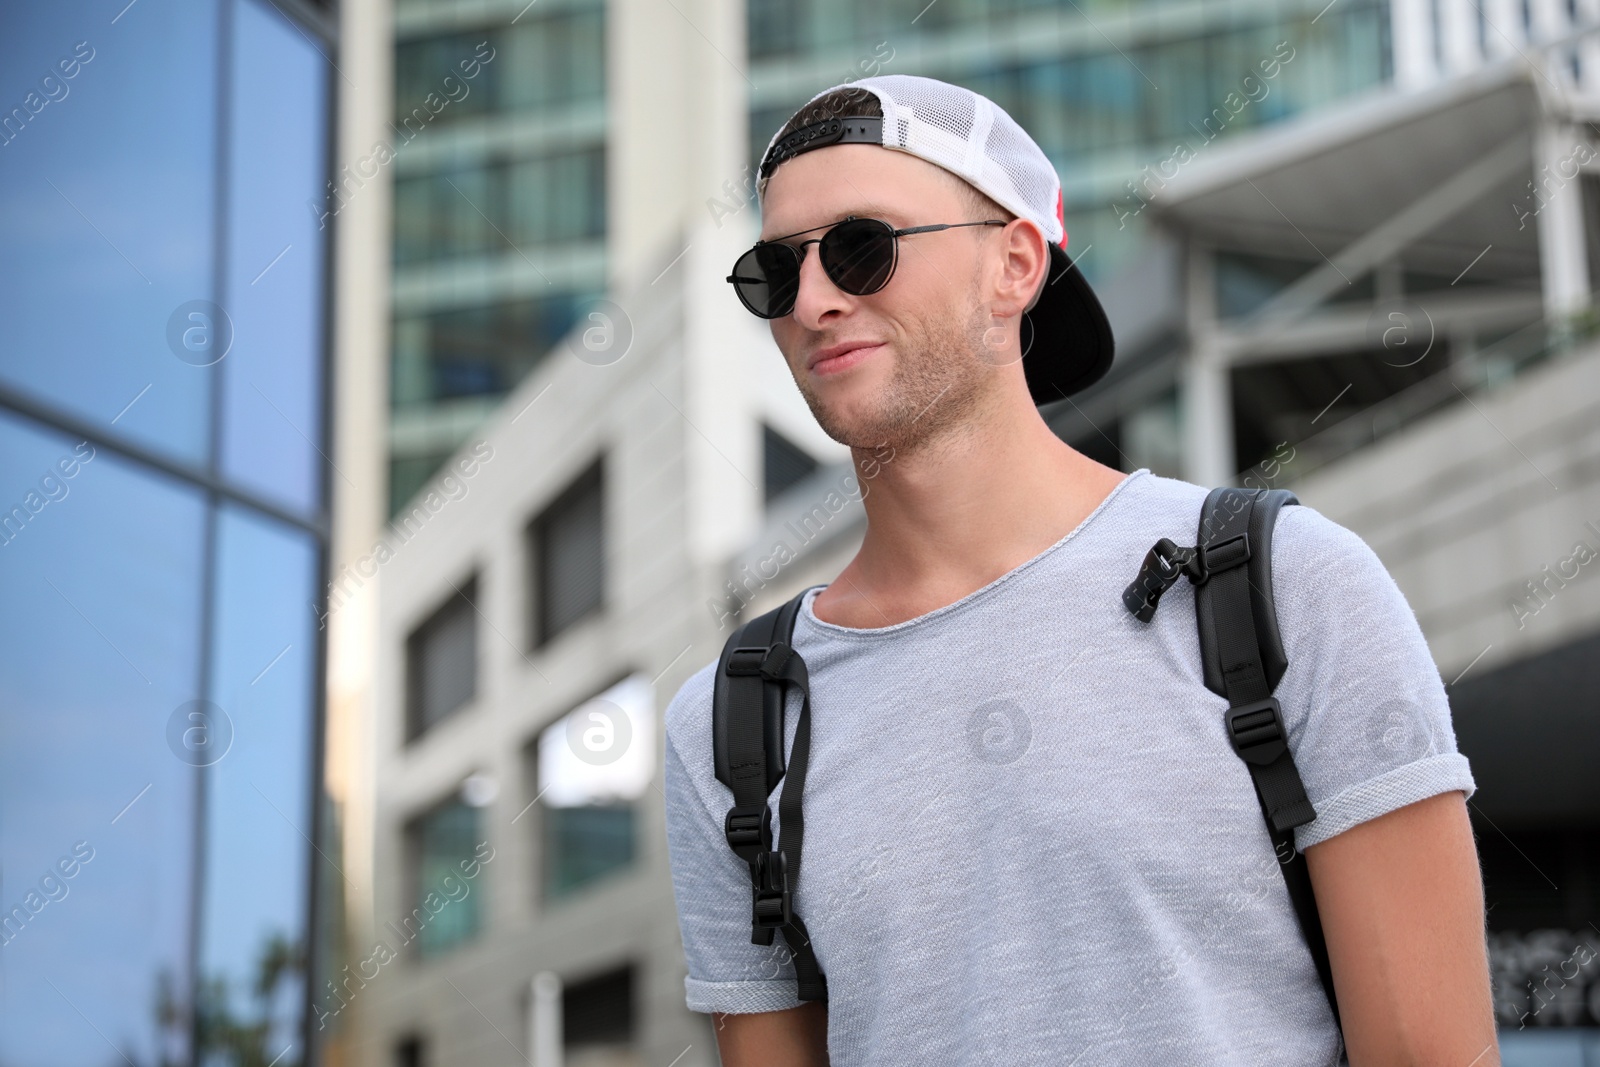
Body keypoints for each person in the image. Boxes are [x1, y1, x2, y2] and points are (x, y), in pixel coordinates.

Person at [662, 74, 1497, 1066]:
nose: (812, 299)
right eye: (773, 269)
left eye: (861, 247)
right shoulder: (731, 721)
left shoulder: (1281, 587)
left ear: (1014, 263)